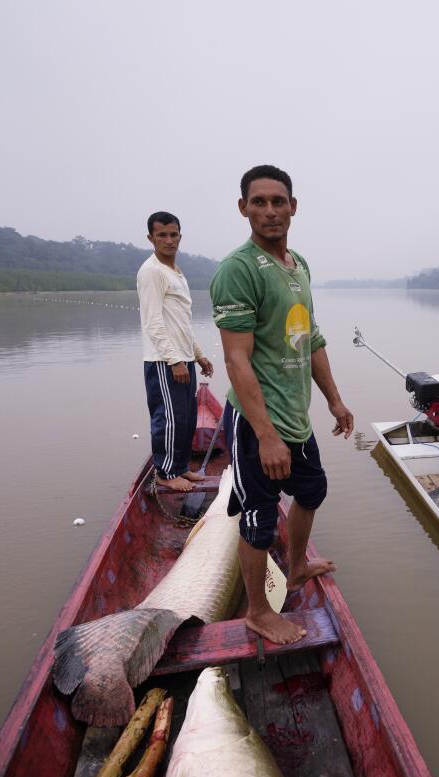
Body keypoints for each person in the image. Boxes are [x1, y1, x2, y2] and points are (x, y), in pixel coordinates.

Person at [211, 165, 354, 645]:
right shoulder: (239, 270)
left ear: (293, 206)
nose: (270, 210)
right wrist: (266, 435)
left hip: (297, 418)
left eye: (278, 201)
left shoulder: (299, 266)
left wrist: (334, 400)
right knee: (258, 517)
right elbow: (236, 360)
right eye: (259, 202)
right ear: (243, 208)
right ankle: (256, 611)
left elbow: (310, 338)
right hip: (257, 423)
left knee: (312, 489)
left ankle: (293, 570)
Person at [137, 211, 214, 493]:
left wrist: (198, 355)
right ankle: (166, 472)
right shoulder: (152, 272)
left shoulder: (176, 272)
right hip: (164, 361)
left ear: (180, 236)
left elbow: (181, 323)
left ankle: (180, 467)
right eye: (162, 235)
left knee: (187, 418)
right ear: (151, 238)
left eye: (173, 235)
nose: (169, 241)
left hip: (182, 359)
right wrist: (173, 361)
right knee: (169, 418)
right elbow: (154, 323)